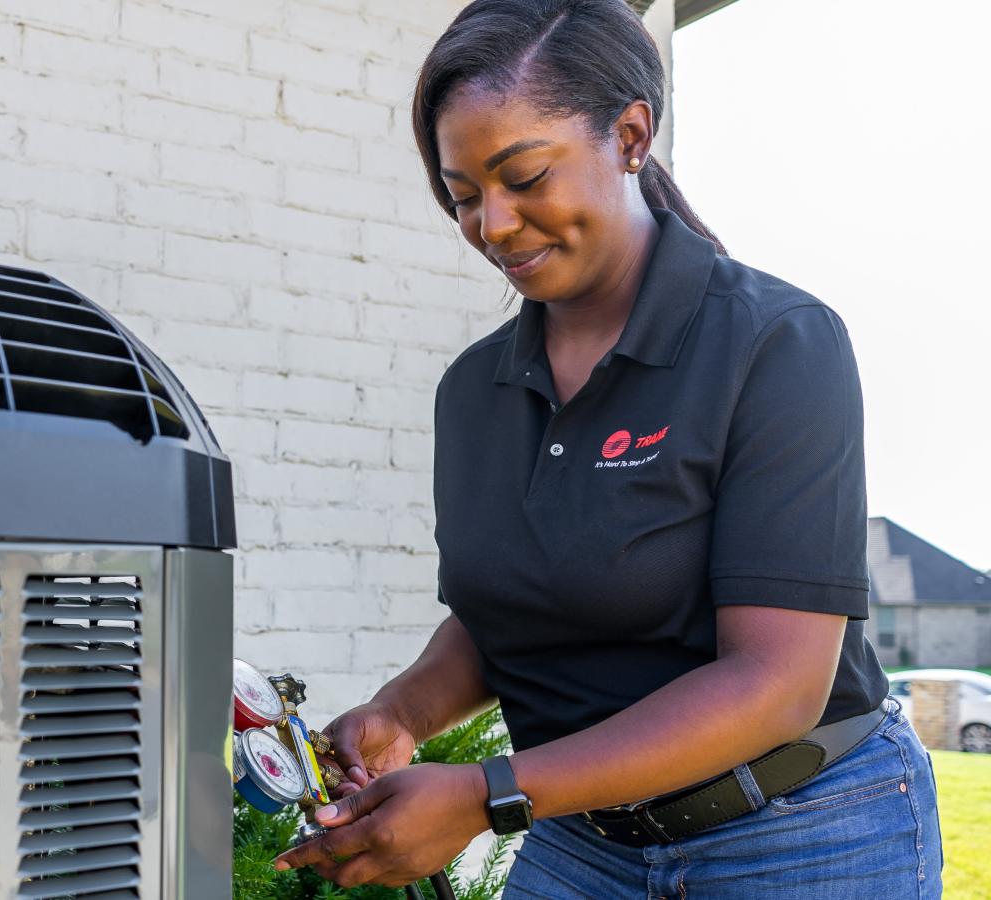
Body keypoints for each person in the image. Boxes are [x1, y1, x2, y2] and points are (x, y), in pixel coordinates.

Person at [269, 1, 944, 896]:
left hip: (803, 832)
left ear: (630, 136)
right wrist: (402, 711)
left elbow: (778, 683)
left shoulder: (776, 343)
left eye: (524, 177)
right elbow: (517, 606)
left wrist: (485, 797)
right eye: (464, 195)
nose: (493, 225)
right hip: (582, 842)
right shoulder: (475, 392)